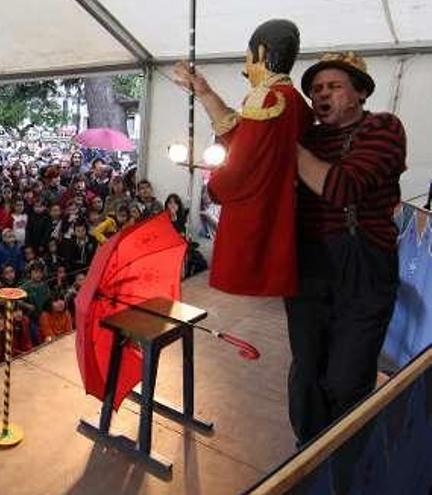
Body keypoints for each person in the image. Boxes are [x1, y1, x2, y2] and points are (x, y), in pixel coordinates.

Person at [286, 52, 405, 445]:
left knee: (346, 378)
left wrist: (287, 147)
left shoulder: (384, 128)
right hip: (309, 264)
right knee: (306, 375)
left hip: (364, 266)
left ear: (359, 92)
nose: (322, 94)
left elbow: (343, 188)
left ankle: (345, 463)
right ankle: (307, 460)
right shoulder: (308, 136)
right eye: (316, 89)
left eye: (333, 86)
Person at [173, 19, 313, 296]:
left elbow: (244, 163)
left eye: (247, 58)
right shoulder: (294, 100)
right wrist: (205, 92)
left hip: (256, 214)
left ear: (260, 52)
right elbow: (243, 137)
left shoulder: (267, 97)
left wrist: (215, 187)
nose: (246, 68)